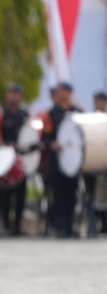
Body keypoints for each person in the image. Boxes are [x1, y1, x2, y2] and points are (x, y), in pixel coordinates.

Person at [41, 81, 81, 238]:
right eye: (61, 91)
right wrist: (53, 144)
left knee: (72, 195)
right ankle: (59, 227)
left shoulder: (77, 113)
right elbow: (45, 138)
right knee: (58, 196)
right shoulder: (50, 114)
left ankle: (70, 226)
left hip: (73, 161)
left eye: (66, 91)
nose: (63, 94)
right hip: (56, 161)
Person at [0, 82, 28, 236]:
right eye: (11, 93)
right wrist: (6, 147)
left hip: (21, 159)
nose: (14, 96)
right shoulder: (1, 113)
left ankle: (18, 224)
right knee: (5, 193)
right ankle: (5, 224)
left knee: (21, 193)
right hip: (5, 159)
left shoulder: (24, 114)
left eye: (16, 93)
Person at [84, 90, 107, 237]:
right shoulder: (88, 120)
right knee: (90, 196)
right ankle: (92, 226)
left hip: (105, 166)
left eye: (102, 100)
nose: (100, 103)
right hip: (91, 165)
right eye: (98, 100)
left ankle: (105, 226)